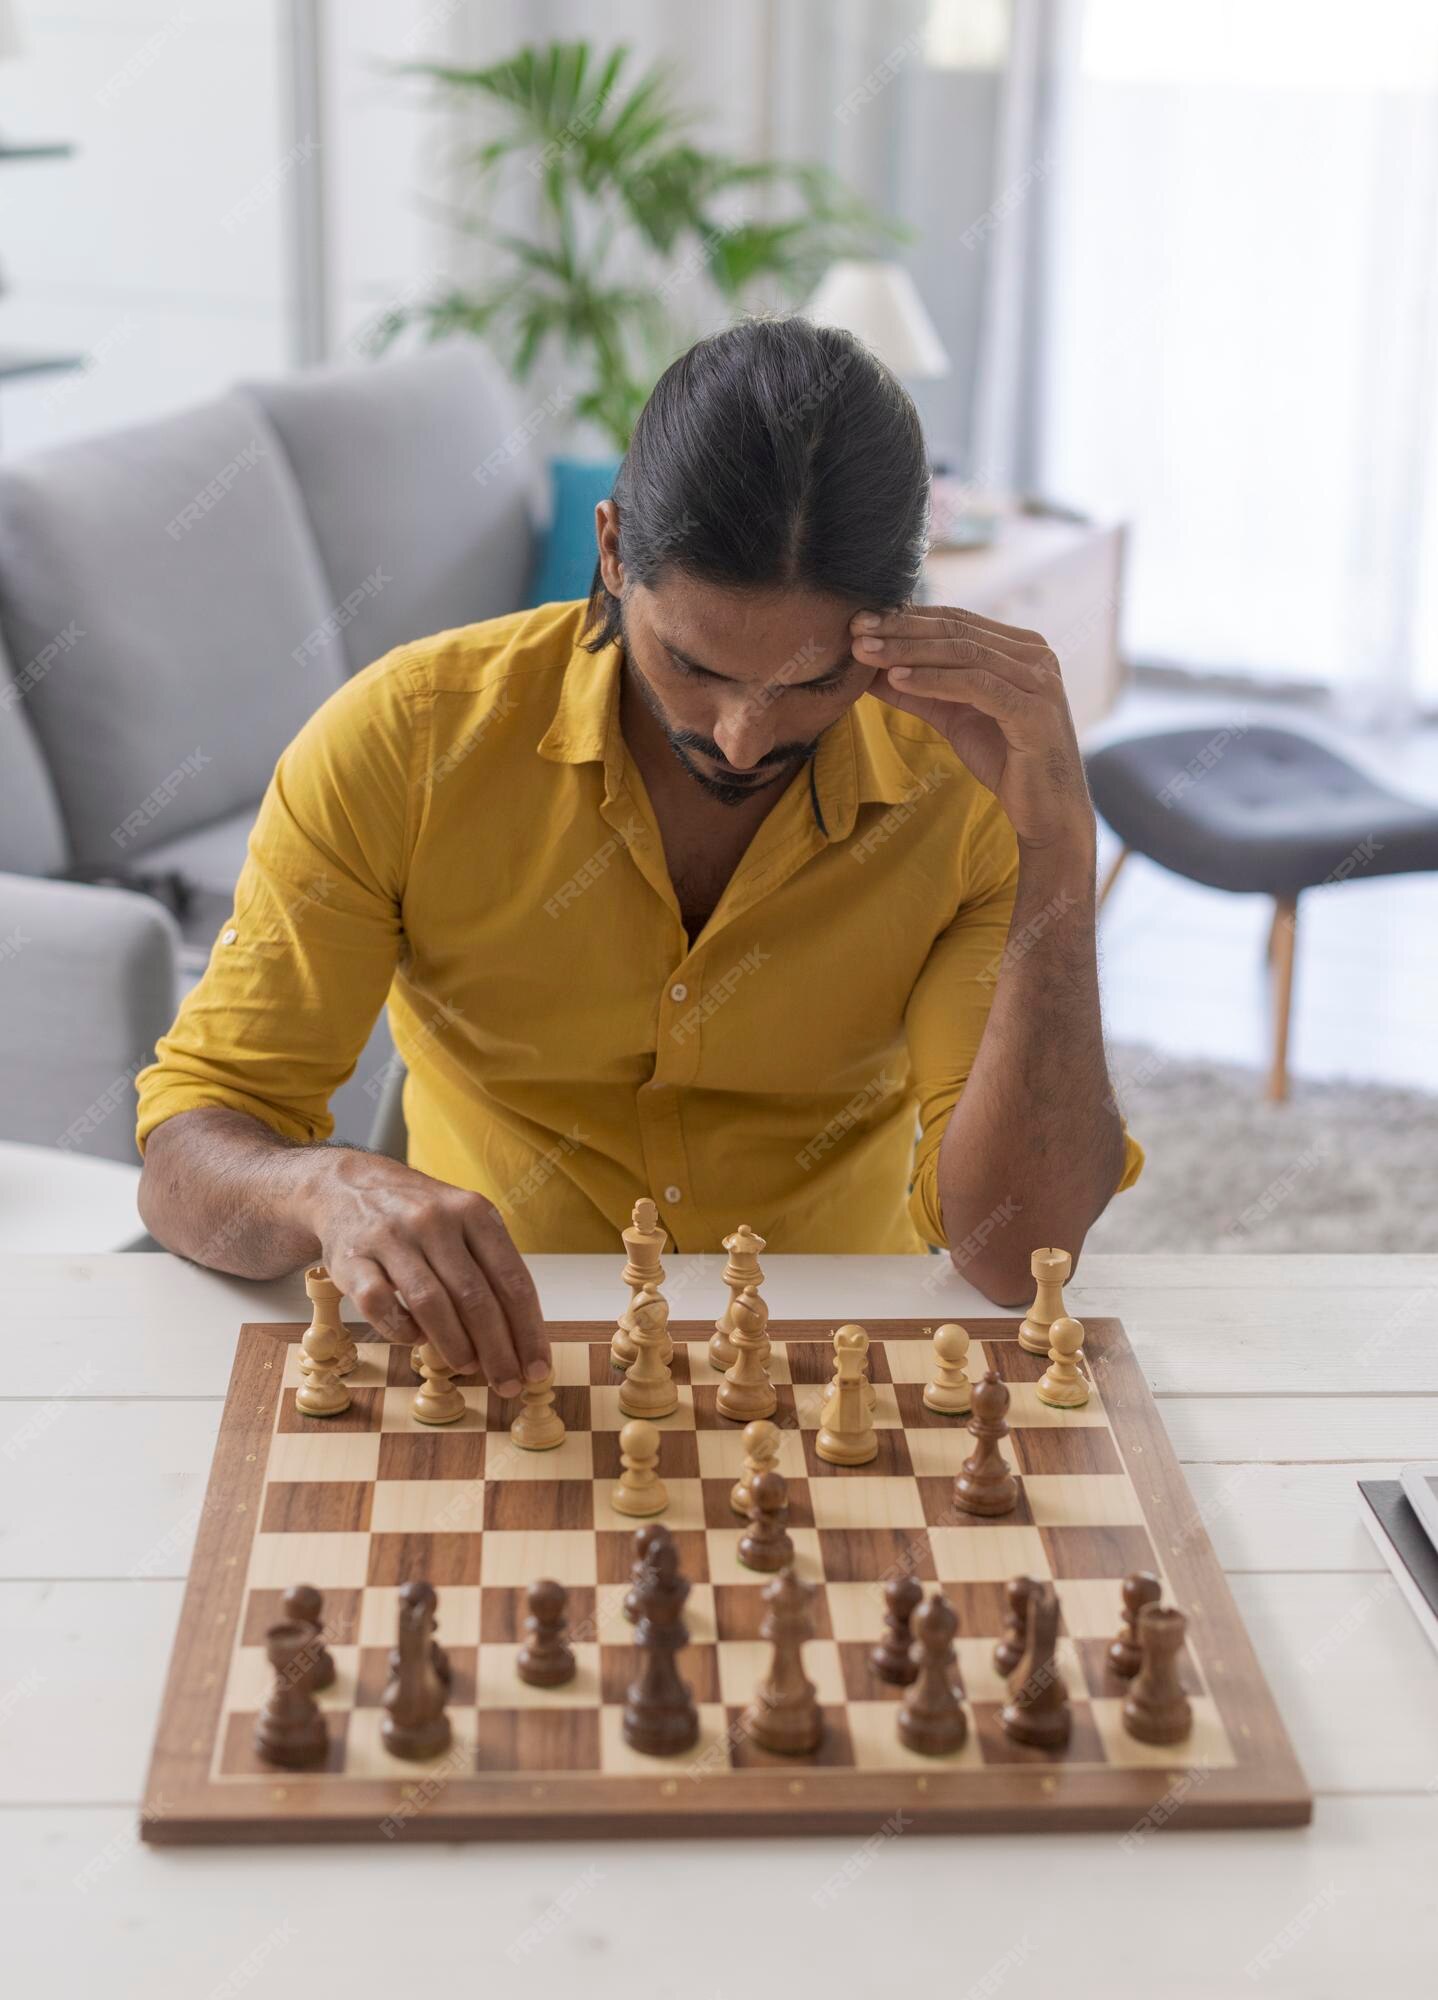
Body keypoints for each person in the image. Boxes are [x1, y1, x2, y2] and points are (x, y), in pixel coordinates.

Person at [136, 318, 1140, 1393]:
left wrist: (1057, 847)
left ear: (897, 621)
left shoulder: (962, 783)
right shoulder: (405, 741)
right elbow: (186, 1163)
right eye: (694, 664)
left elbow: (1013, 1251)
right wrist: (321, 1189)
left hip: (829, 1361)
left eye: (809, 684)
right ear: (613, 553)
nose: (743, 736)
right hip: (493, 1365)